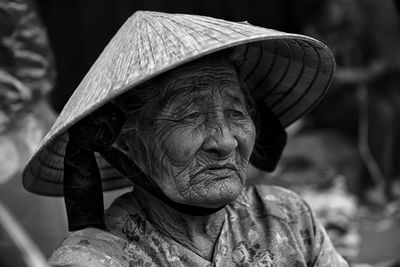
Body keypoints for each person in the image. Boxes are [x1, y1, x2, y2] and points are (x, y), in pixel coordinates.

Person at [22, 11, 347, 266]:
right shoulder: (94, 260)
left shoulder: (287, 217)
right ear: (127, 143)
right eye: (191, 115)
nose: (226, 141)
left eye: (236, 112)